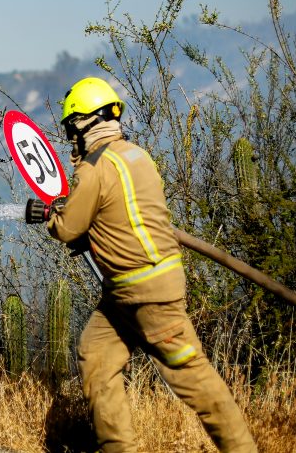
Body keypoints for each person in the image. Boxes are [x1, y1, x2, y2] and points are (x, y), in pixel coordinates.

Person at [25, 77, 257, 453]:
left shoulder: (93, 168)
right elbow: (119, 213)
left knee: (191, 376)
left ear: (84, 122)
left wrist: (48, 214)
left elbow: (68, 227)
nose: (71, 137)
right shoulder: (135, 154)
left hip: (147, 293)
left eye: (72, 127)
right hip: (126, 291)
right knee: (96, 356)